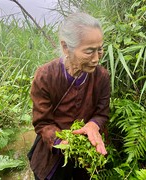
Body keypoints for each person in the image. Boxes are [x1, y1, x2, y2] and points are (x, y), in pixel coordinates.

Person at [29, 12, 110, 180]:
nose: (96, 59)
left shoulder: (102, 77)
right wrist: (61, 141)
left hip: (86, 152)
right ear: (66, 47)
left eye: (100, 49)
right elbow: (42, 122)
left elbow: (102, 113)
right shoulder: (45, 76)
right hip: (53, 154)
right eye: (89, 51)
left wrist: (93, 125)